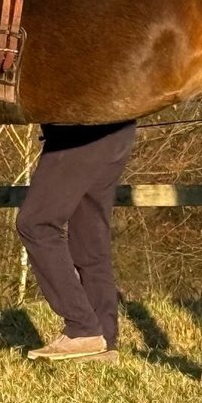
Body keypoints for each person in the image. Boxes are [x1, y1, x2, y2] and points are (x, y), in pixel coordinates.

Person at [15, 119, 137, 362]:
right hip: (119, 131)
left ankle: (82, 328)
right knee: (90, 240)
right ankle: (104, 340)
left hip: (77, 131)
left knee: (36, 224)